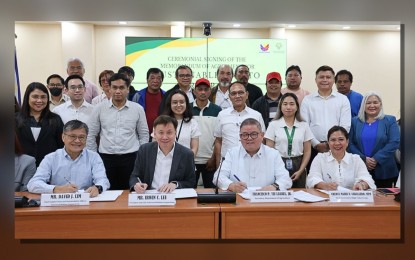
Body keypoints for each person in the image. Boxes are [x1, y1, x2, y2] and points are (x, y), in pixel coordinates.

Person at [87, 73, 149, 190]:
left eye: (121, 88)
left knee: (131, 193)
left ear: (128, 89)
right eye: (114, 87)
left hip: (131, 159)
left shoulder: (137, 109)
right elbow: (91, 134)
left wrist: (141, 156)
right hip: (106, 159)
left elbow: (144, 134)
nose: (118, 91)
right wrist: (94, 157)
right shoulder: (99, 108)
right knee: (107, 193)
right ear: (109, 89)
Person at [27, 120, 110, 197]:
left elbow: (103, 180)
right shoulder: (51, 158)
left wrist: (98, 188)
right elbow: (33, 184)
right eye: (72, 136)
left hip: (86, 201)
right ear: (63, 137)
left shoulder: (94, 157)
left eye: (81, 137)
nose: (77, 141)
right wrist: (57, 189)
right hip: (59, 203)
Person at [213, 118, 292, 192]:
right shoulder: (232, 153)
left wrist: (274, 187)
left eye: (254, 134)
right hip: (238, 201)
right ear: (240, 137)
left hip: (265, 200)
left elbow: (285, 179)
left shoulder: (273, 154)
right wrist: (231, 185)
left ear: (262, 135)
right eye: (245, 135)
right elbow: (218, 177)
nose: (249, 138)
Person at [300, 65, 351, 171]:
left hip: (338, 147)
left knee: (338, 179)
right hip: (314, 149)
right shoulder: (307, 100)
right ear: (316, 80)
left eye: (328, 77)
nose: (325, 80)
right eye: (321, 77)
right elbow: (304, 125)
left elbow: (345, 125)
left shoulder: (343, 99)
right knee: (315, 180)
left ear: (333, 80)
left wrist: (334, 142)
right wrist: (316, 144)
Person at [129, 115, 196, 193]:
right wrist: (136, 185)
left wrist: (175, 184)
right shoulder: (144, 150)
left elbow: (191, 182)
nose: (165, 137)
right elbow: (135, 176)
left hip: (173, 196)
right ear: (154, 134)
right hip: (149, 196)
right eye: (161, 133)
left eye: (169, 133)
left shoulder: (186, 154)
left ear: (175, 133)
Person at [348, 92, 400, 188]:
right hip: (360, 168)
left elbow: (394, 142)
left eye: (375, 102)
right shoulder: (354, 121)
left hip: (384, 170)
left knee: (384, 201)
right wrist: (363, 159)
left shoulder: (390, 120)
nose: (372, 105)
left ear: (380, 104)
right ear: (363, 105)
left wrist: (376, 158)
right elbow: (349, 143)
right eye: (368, 103)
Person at [265, 93, 313, 188]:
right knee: (281, 195)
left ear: (297, 107)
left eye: (291, 104)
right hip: (279, 163)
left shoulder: (304, 125)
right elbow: (269, 151)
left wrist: (301, 170)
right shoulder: (273, 125)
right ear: (280, 106)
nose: (288, 107)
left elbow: (307, 151)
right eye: (285, 104)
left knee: (299, 195)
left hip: (299, 164)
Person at [307, 126, 376, 190]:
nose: (337, 143)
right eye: (333, 140)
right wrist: (325, 185)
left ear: (347, 142)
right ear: (328, 142)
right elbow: (312, 178)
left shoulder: (356, 159)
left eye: (341, 139)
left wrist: (362, 184)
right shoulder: (320, 158)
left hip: (351, 199)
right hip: (326, 199)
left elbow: (367, 179)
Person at [214, 81, 265, 168]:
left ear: (247, 94)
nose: (237, 96)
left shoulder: (256, 115)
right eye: (233, 93)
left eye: (240, 92)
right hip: (227, 162)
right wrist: (219, 165)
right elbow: (218, 141)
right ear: (229, 96)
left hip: (251, 162)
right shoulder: (222, 115)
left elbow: (262, 140)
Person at [15, 82, 64, 166]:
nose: (39, 100)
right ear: (27, 98)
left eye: (43, 97)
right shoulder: (15, 119)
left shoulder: (55, 119)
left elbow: (62, 146)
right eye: (35, 97)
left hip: (49, 168)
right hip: (21, 169)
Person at [192, 78, 222, 188]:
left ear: (210, 91)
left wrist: (213, 157)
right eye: (200, 89)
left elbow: (219, 137)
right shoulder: (187, 109)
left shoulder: (217, 110)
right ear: (194, 91)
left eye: (206, 89)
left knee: (212, 194)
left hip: (210, 160)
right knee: (189, 193)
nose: (203, 92)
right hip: (191, 159)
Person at [162, 89, 201, 156]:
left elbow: (194, 149)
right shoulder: (162, 122)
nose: (178, 105)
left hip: (186, 163)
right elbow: (155, 145)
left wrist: (186, 162)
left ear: (186, 104)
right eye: (175, 102)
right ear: (170, 104)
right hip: (165, 163)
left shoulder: (192, 123)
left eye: (181, 102)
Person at [132, 68, 166, 139]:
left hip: (161, 135)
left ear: (162, 81)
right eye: (152, 78)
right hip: (141, 135)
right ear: (147, 80)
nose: (155, 81)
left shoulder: (166, 96)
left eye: (158, 78)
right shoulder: (138, 96)